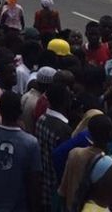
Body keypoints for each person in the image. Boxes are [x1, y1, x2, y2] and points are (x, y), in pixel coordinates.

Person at [36, 83, 73, 211]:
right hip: (56, 188)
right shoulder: (63, 130)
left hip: (43, 185)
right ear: (65, 101)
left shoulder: (41, 119)